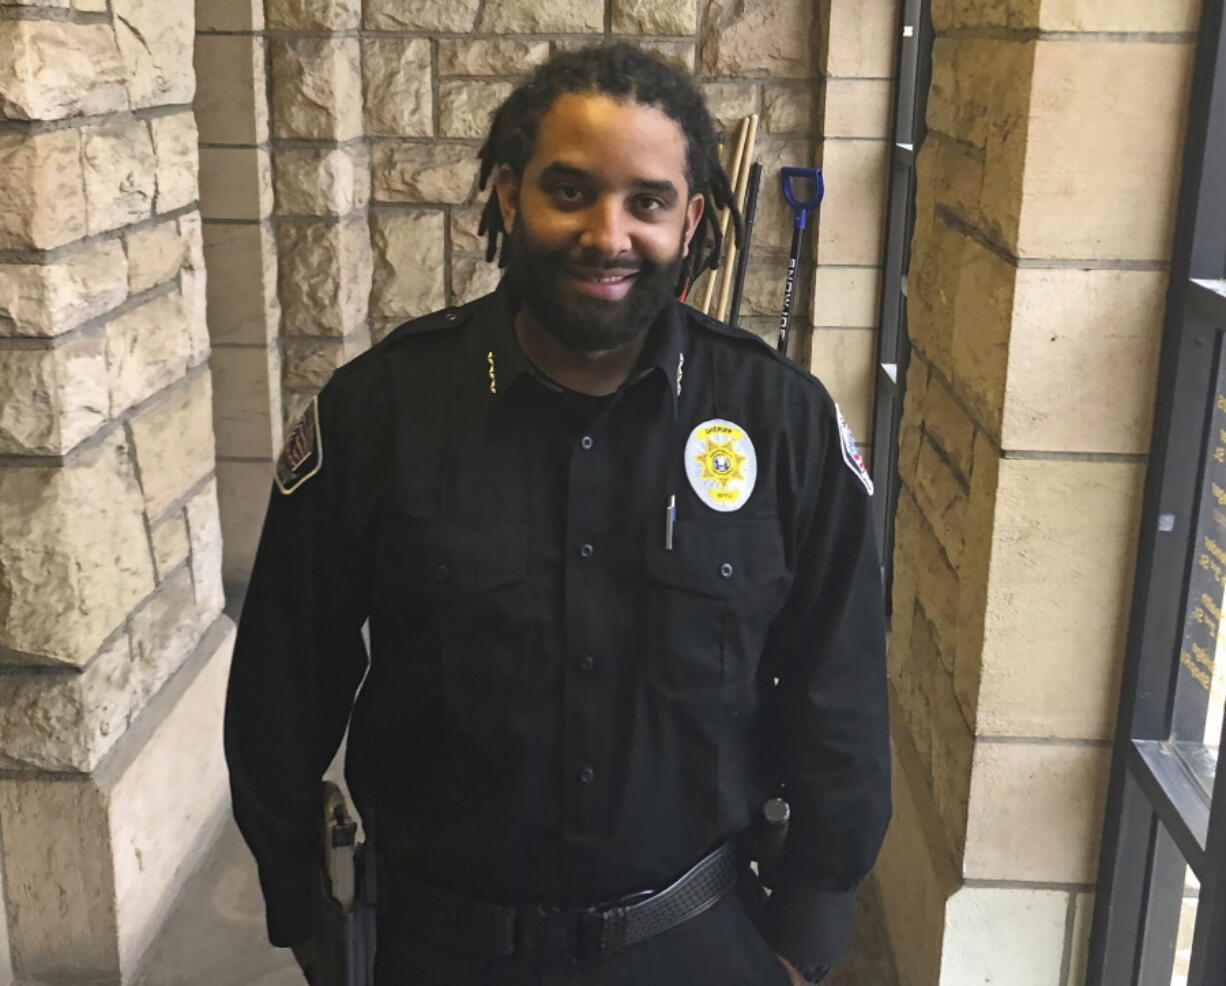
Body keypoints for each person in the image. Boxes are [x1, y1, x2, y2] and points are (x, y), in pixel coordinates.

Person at [224, 43, 890, 986]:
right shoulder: (378, 413)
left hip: (698, 943)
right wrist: (305, 909)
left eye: (647, 202)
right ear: (508, 197)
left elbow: (843, 689)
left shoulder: (784, 423)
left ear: (692, 218)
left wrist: (808, 932)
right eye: (569, 192)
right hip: (436, 951)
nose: (607, 234)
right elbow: (281, 690)